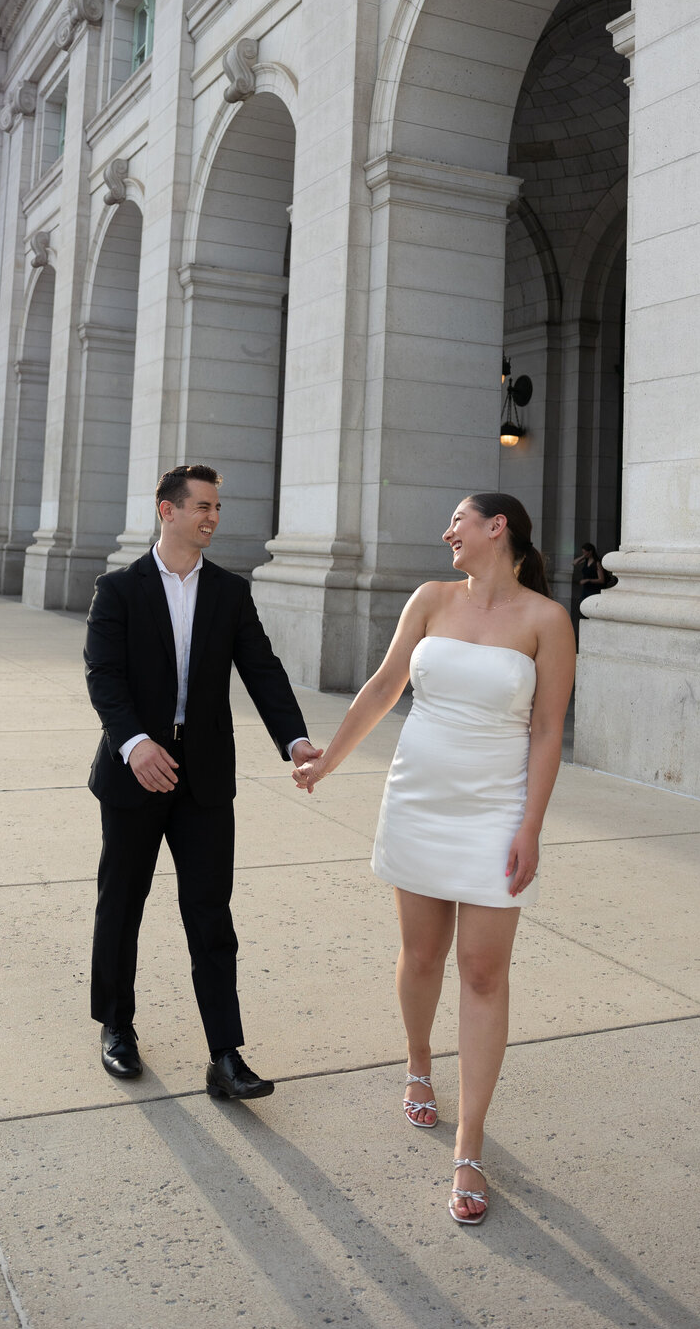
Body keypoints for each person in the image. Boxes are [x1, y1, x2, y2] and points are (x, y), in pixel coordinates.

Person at [293, 492, 574, 1227]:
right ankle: (419, 1062)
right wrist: (329, 761)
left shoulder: (547, 620)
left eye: (457, 520)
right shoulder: (429, 598)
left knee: (483, 972)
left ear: (497, 526)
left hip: (495, 814)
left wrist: (531, 827)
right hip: (418, 800)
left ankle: (470, 1143)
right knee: (421, 957)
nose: (446, 530)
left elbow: (547, 732)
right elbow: (387, 686)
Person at [84, 464, 322, 1100]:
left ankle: (225, 1054)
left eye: (217, 507)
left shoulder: (228, 591)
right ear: (167, 511)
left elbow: (262, 670)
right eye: (202, 507)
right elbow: (102, 676)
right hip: (137, 773)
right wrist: (133, 744)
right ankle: (116, 1026)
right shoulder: (119, 588)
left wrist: (294, 739)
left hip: (207, 777)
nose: (213, 517)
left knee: (211, 915)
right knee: (122, 903)